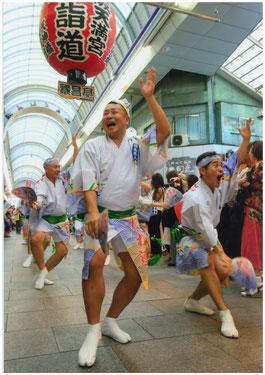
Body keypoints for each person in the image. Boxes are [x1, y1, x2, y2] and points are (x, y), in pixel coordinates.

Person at [71, 67, 170, 367]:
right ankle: (93, 330)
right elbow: (87, 179)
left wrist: (150, 98)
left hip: (129, 218)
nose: (108, 116)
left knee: (136, 273)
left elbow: (163, 133)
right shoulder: (93, 145)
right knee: (94, 265)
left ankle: (111, 320)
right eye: (105, 113)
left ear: (126, 119)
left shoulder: (138, 146)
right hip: (100, 216)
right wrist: (90, 212)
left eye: (114, 112)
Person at [175, 117, 251, 338]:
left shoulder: (220, 179)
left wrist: (245, 140)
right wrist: (220, 252)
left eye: (220, 165)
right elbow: (206, 229)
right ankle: (225, 313)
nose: (221, 168)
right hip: (190, 239)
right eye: (215, 165)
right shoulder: (195, 197)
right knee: (208, 262)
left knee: (223, 270)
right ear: (202, 171)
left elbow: (236, 159)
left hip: (209, 237)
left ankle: (192, 301)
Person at [240, 140, 262, 296]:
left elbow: (252, 184)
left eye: (250, 150)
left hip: (253, 211)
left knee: (251, 247)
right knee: (256, 246)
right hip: (258, 211)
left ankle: (255, 283)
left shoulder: (259, 166)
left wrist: (241, 183)